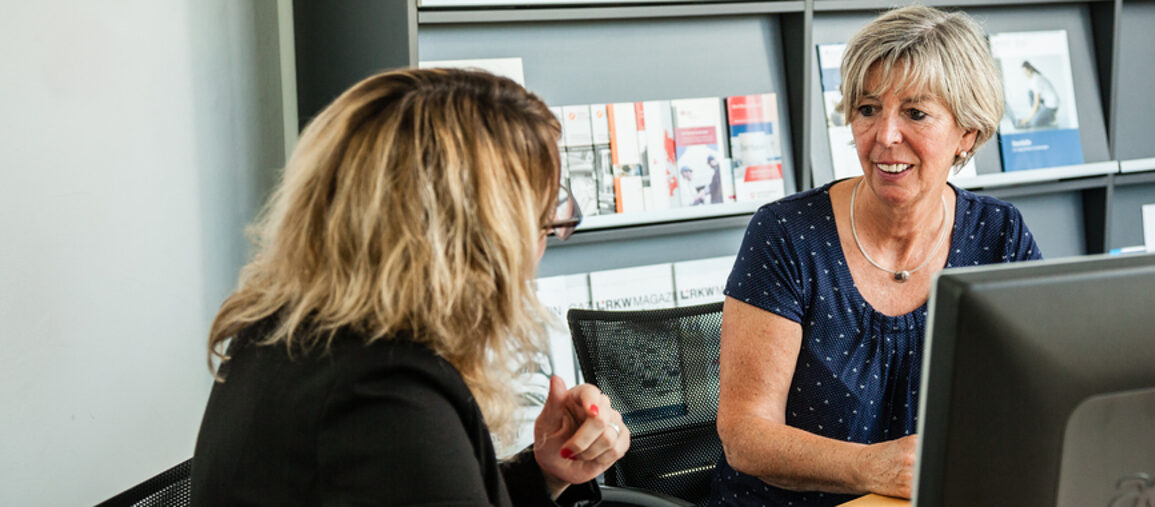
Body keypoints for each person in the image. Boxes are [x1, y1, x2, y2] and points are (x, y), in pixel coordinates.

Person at [191, 67, 628, 506]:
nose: (538, 253)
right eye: (541, 227)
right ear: (475, 244)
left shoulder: (287, 334)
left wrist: (544, 473)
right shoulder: (385, 400)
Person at [710, 6, 1043, 506]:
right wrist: (872, 467)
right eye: (868, 109)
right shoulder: (788, 234)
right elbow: (745, 435)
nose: (885, 136)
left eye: (915, 113)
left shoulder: (999, 235)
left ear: (966, 135)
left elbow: (1036, 395)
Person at [1014, 61, 1060, 129]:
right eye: (1023, 73)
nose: (1025, 74)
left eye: (1025, 72)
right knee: (1030, 93)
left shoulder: (1036, 80)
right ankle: (1039, 114)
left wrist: (1028, 119)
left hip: (1051, 106)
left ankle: (1050, 117)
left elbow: (1036, 104)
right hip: (1047, 101)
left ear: (1030, 70)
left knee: (1033, 123)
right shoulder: (1034, 77)